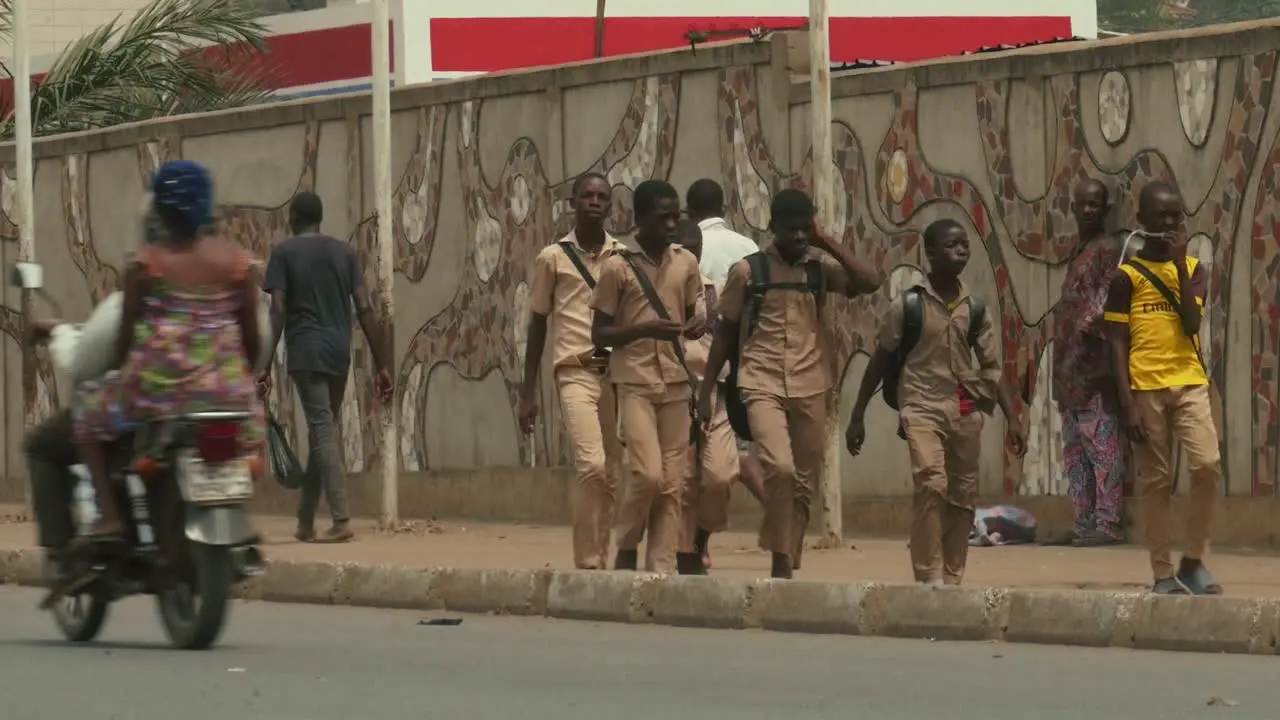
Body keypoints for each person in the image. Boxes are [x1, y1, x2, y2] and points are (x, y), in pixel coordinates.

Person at [70, 160, 266, 546]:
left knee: (84, 417)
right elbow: (253, 339)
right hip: (228, 393)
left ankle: (109, 517)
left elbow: (124, 341)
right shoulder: (237, 265)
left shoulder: (145, 268)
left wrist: (120, 370)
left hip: (156, 393)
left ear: (159, 209)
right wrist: (244, 379)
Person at [700, 189, 880, 579]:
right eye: (792, 229)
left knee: (801, 483)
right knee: (779, 468)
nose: (799, 237)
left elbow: (869, 283)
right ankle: (781, 562)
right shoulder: (748, 272)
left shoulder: (818, 269)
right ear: (773, 228)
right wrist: (707, 389)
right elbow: (726, 333)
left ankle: (782, 555)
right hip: (760, 380)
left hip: (812, 384)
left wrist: (826, 241)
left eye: (805, 229)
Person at [846, 218, 1026, 587]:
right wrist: (858, 414)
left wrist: (1013, 419)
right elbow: (881, 359)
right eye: (951, 245)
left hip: (964, 407)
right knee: (931, 483)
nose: (961, 251)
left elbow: (993, 369)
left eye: (965, 245)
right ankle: (927, 575)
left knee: (962, 495)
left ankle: (952, 576)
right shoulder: (908, 305)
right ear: (929, 254)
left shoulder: (974, 309)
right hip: (921, 405)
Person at [1103, 181, 1221, 595]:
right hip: (1145, 389)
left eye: (1176, 216)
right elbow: (1116, 342)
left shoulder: (1193, 271)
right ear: (1143, 221)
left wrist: (1179, 265)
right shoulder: (1127, 277)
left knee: (1206, 466)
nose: (1169, 223)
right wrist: (1127, 403)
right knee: (1156, 482)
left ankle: (1192, 560)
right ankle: (1161, 572)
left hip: (1189, 383)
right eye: (1161, 216)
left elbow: (1192, 323)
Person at [262, 192, 394, 544]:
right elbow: (365, 308)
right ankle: (305, 520)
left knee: (322, 432)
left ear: (293, 218)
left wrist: (262, 366)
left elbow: (277, 312)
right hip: (338, 353)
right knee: (323, 434)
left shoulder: (284, 253)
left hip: (306, 352)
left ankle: (341, 519)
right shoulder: (345, 253)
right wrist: (383, 364)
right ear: (319, 218)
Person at [590, 179, 704, 574]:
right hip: (634, 380)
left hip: (675, 381)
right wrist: (642, 331)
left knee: (673, 484)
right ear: (640, 220)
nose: (672, 225)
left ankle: (660, 570)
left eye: (676, 217)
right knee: (648, 474)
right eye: (663, 218)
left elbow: (691, 317)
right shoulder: (617, 267)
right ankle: (625, 540)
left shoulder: (686, 264)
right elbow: (599, 334)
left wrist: (696, 328)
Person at [519, 172, 625, 570]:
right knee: (592, 464)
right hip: (574, 369)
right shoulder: (553, 258)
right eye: (587, 195)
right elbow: (538, 322)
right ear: (573, 203)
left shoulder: (622, 257)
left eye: (601, 196)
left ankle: (601, 554)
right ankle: (586, 560)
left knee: (614, 472)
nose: (594, 202)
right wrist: (527, 392)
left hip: (612, 371)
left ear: (610, 206)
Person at [684, 178, 767, 551]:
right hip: (739, 365)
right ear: (724, 206)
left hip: (701, 366)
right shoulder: (747, 246)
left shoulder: (685, 249)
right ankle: (691, 542)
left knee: (724, 464)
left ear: (690, 210)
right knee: (728, 460)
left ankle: (698, 538)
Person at [1051, 179, 1128, 546]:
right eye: (1082, 203)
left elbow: (1105, 304)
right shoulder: (1079, 249)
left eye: (1094, 204)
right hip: (1068, 370)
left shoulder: (1107, 249)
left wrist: (1086, 333)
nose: (1087, 210)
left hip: (1092, 367)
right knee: (1075, 452)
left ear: (1104, 208)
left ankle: (1108, 523)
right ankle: (1083, 522)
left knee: (1101, 446)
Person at [672, 218, 738, 575]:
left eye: (694, 251)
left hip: (714, 393)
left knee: (721, 475)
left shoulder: (718, 292)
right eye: (680, 251)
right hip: (671, 392)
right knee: (680, 479)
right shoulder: (654, 291)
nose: (688, 259)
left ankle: (700, 536)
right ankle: (683, 555)